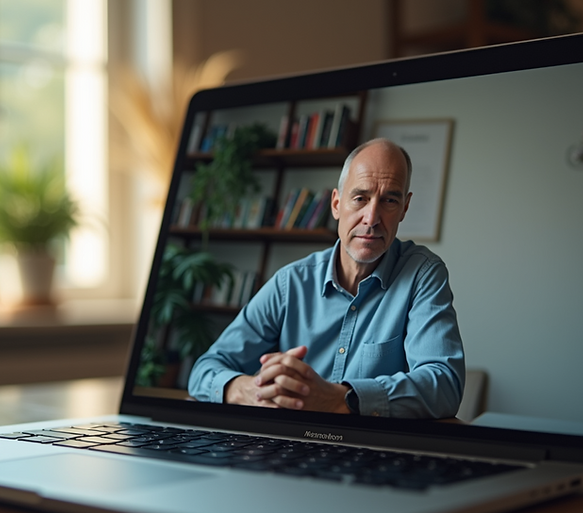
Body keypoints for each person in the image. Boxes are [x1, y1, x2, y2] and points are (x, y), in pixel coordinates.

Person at [187, 138, 465, 418]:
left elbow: (445, 385)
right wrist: (250, 390)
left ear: (404, 208)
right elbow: (205, 369)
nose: (372, 218)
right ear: (336, 204)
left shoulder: (423, 274)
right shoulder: (291, 283)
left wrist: (342, 399)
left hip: (371, 450)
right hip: (287, 446)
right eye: (360, 198)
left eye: (389, 200)